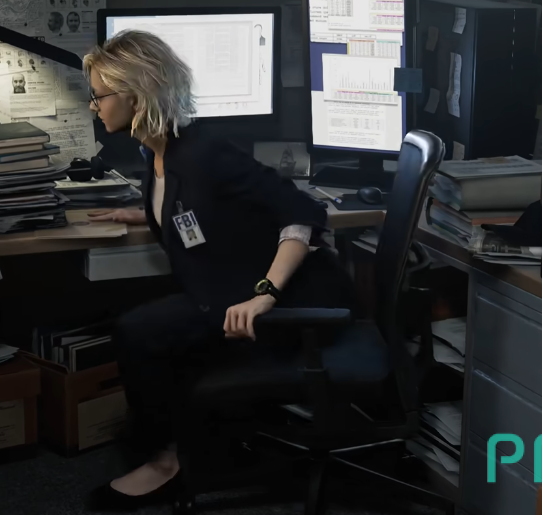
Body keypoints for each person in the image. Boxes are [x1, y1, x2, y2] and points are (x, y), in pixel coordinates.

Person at [83, 30, 352, 511]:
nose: (93, 106)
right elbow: (195, 208)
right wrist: (142, 213)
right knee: (146, 326)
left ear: (135, 95)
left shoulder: (205, 152)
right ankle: (193, 444)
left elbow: (303, 213)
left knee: (138, 332)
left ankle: (168, 462)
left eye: (99, 95)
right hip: (225, 293)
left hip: (289, 303)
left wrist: (266, 293)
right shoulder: (157, 150)